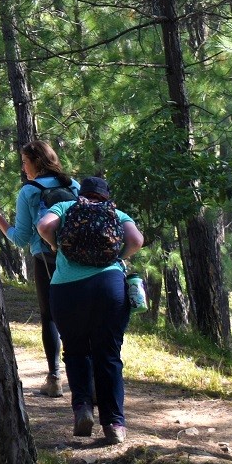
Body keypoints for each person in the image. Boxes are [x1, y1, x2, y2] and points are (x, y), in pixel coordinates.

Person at [36, 175, 144, 444]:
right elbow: (137, 241)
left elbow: (43, 225)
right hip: (109, 286)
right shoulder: (116, 213)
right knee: (108, 354)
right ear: (106, 196)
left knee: (75, 350)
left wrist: (55, 245)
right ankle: (115, 424)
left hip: (67, 289)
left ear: (81, 194)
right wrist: (118, 256)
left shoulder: (65, 208)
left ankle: (83, 408)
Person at [0, 140, 78, 398]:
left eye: (25, 162)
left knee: (50, 316)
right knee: (79, 317)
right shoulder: (73, 185)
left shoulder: (29, 192)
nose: (23, 167)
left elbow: (21, 238)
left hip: (48, 262)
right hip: (79, 260)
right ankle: (88, 377)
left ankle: (55, 378)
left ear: (37, 162)